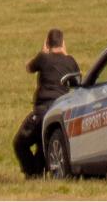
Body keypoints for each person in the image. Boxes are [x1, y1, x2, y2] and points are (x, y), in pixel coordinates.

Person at [13, 28, 80, 178]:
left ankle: (32, 174)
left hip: (44, 109)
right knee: (44, 144)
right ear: (63, 43)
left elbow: (29, 67)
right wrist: (66, 54)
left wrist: (42, 52)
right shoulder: (70, 61)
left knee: (20, 143)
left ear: (47, 43)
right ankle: (40, 173)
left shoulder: (43, 58)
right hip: (62, 110)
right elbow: (77, 79)